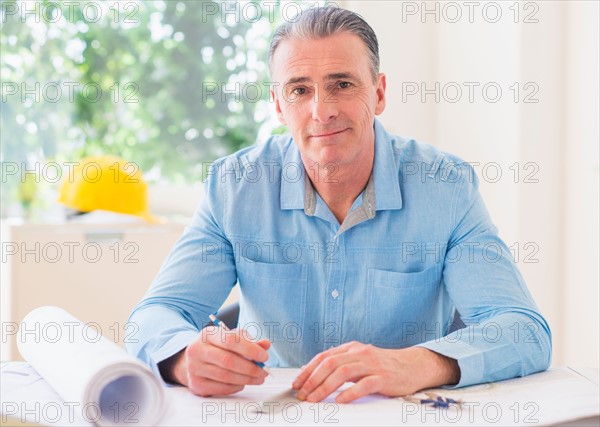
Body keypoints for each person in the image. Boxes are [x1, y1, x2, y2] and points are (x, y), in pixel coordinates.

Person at [127, 7, 551, 404]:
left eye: (342, 85)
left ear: (379, 92)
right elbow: (155, 315)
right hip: (271, 411)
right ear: (278, 105)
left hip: (397, 412)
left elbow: (525, 331)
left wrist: (418, 362)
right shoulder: (234, 188)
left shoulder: (445, 187)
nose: (322, 110)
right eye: (300, 90)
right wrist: (183, 358)